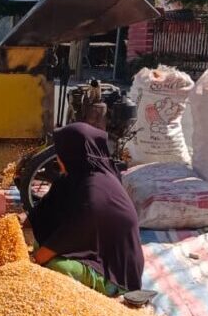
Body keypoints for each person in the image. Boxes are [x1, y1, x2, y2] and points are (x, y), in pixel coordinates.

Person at [19, 123, 145, 296]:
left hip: (112, 270)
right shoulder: (74, 177)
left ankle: (107, 290)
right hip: (92, 246)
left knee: (55, 267)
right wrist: (15, 223)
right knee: (40, 241)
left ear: (73, 155)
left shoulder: (96, 192)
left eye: (61, 153)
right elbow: (47, 210)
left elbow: (73, 232)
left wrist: (33, 262)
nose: (58, 159)